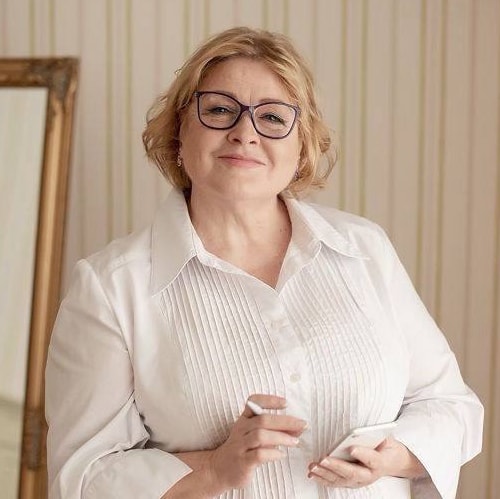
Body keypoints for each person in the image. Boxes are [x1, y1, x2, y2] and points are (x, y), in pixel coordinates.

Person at [45, 26, 483, 499]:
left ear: (302, 147)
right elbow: (81, 478)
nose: (245, 133)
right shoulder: (110, 288)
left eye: (272, 117)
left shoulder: (365, 250)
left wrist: (391, 455)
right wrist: (215, 469)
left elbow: (451, 405)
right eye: (219, 110)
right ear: (179, 132)